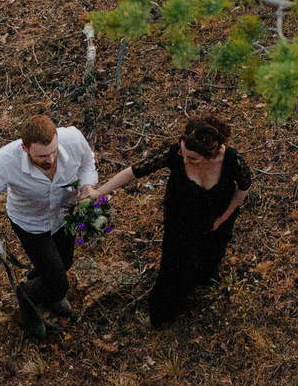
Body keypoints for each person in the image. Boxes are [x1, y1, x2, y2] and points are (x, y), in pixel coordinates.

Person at [94, 109, 251, 328]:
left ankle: (202, 281)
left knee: (210, 256)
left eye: (192, 158)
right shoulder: (175, 154)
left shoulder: (233, 161)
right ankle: (164, 314)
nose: (184, 158)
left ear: (210, 156)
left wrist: (224, 217)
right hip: (182, 219)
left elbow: (243, 189)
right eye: (183, 152)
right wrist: (99, 192)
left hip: (217, 220)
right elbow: (134, 171)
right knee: (176, 266)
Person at [0, 112, 102, 334]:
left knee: (64, 263)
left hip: (63, 216)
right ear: (25, 149)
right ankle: (26, 295)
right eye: (42, 157)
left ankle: (45, 290)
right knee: (59, 284)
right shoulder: (5, 161)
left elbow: (87, 164)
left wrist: (87, 187)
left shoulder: (74, 139)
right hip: (30, 224)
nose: (50, 160)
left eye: (54, 152)